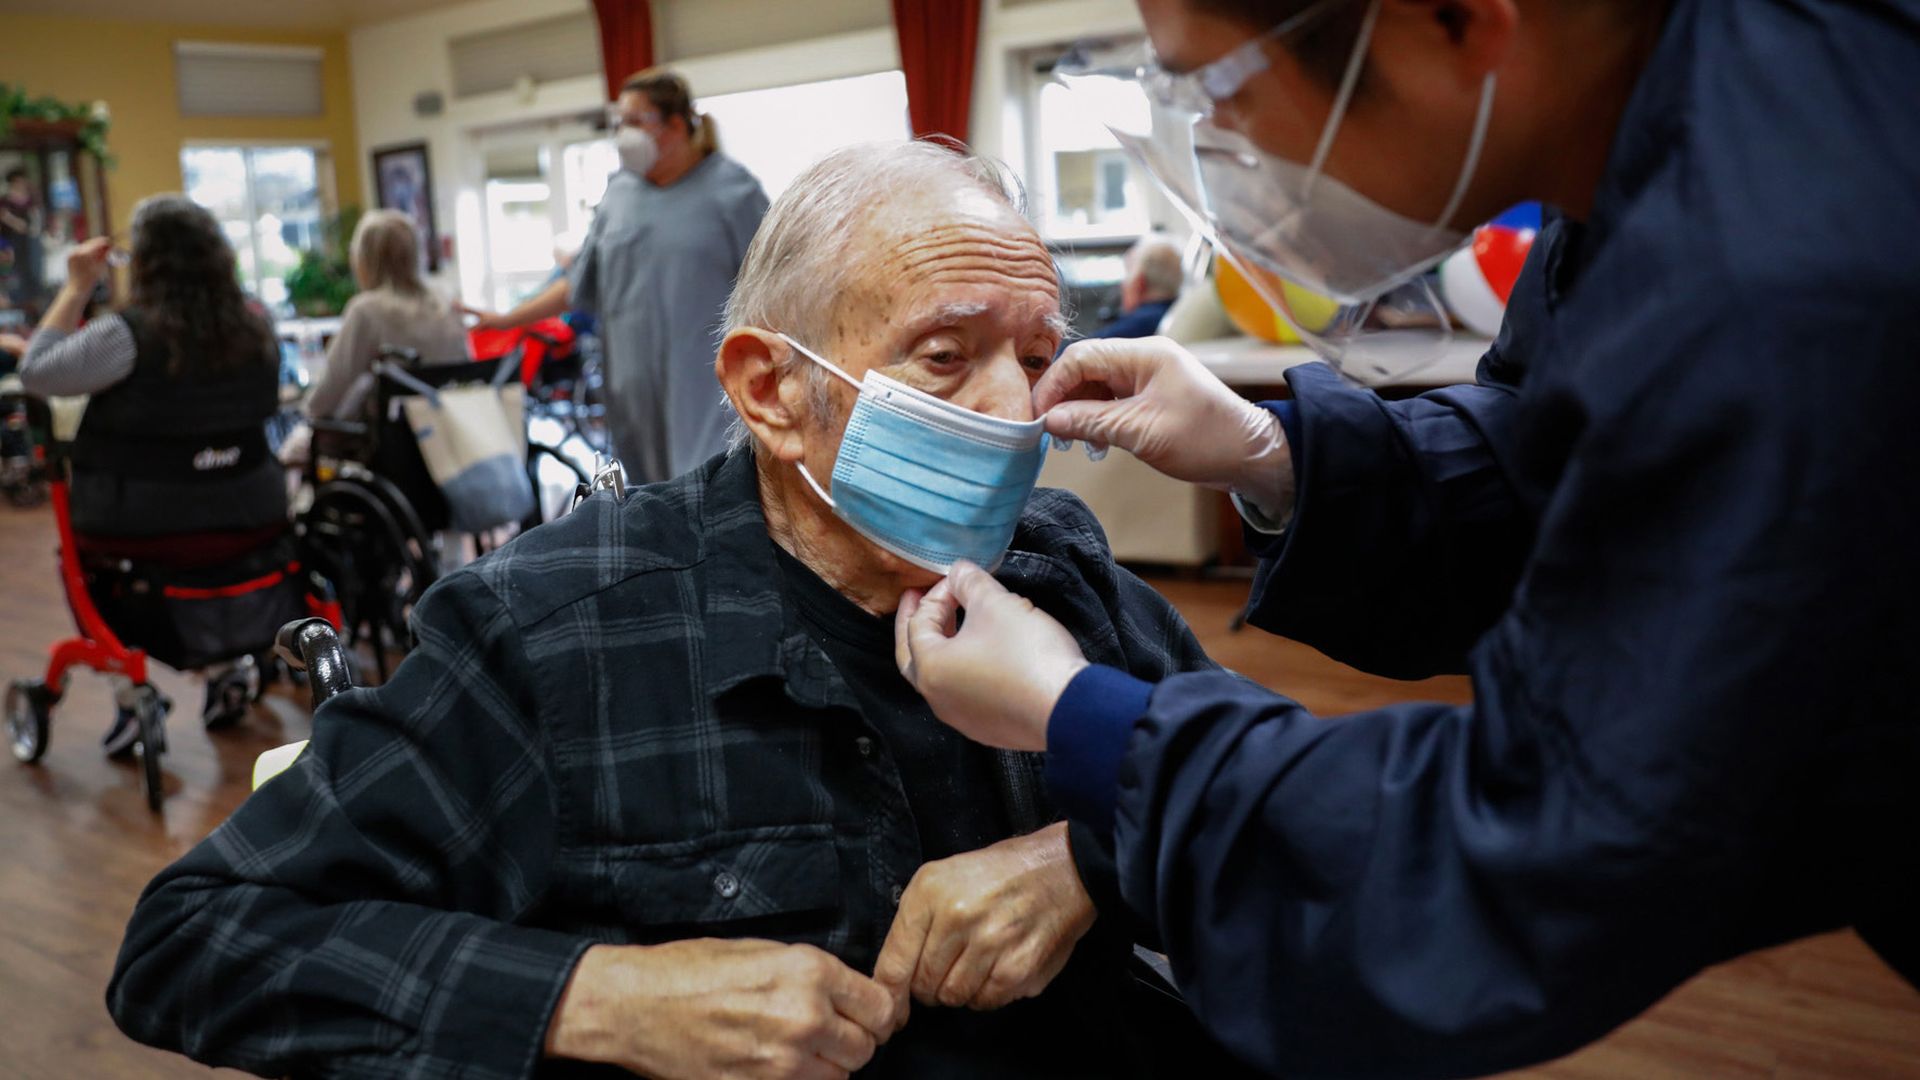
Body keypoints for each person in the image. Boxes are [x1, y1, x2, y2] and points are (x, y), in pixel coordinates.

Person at [891, 0, 1920, 1077]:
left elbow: (1545, 850)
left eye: (1223, 88)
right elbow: (1563, 457)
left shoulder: (1792, 270)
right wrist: (1275, 454)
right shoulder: (1669, 146)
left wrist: (1080, 714)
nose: (1218, 146)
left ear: (1461, 21)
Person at [107, 141, 1249, 1080]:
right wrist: (596, 995)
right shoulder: (557, 634)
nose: (1016, 413)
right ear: (772, 391)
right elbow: (197, 941)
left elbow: (1269, 802)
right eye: (946, 356)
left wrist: (1085, 858)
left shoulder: (1059, 567)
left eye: (1037, 357)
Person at [19, 194, 287, 749]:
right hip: (250, 513)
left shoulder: (127, 335)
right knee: (211, 543)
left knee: (84, 564)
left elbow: (38, 372)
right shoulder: (257, 323)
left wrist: (75, 287)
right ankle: (225, 672)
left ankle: (129, 698)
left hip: (141, 524)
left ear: (144, 262)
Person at [462, 69, 769, 484]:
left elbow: (773, 286)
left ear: (676, 125)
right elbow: (578, 286)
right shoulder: (619, 195)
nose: (623, 133)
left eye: (635, 121)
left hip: (706, 393)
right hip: (632, 397)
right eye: (619, 122)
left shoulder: (733, 191)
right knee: (652, 506)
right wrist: (505, 320)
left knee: (709, 498)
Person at [304, 209, 469, 421]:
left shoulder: (367, 310)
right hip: (450, 430)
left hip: (395, 439)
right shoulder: (447, 302)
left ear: (365, 260)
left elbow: (327, 395)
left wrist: (305, 412)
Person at [1087, 234, 1183, 340]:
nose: (1122, 285)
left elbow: (1079, 352)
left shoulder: (1139, 323)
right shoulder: (1177, 312)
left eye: (1127, 274)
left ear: (1139, 283)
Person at [1, 167, 43, 308]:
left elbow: (35, 217)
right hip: (11, 241)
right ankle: (17, 301)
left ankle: (34, 299)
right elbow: (4, 216)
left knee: (32, 269)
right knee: (15, 271)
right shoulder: (5, 201)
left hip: (29, 241)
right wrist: (15, 223)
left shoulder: (30, 199)